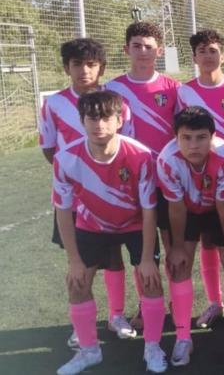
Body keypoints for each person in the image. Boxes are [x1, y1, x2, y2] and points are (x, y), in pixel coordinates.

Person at [53, 91, 167, 374]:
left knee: (151, 280)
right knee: (77, 283)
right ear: (82, 121)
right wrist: (74, 261)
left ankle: (153, 347)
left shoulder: (140, 156)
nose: (99, 125)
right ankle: (89, 351)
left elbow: (149, 210)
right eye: (92, 118)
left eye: (106, 118)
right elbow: (63, 212)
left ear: (119, 121)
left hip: (135, 224)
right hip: (92, 225)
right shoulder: (65, 159)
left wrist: (147, 259)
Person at [40, 38, 136, 347]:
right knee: (81, 262)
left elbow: (127, 148)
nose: (84, 71)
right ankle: (82, 325)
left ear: (101, 68)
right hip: (76, 200)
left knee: (115, 257)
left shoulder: (118, 103)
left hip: (114, 196)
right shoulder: (54, 104)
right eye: (77, 64)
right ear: (66, 68)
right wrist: (79, 178)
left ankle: (116, 315)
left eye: (91, 64)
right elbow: (49, 148)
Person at [105, 21, 182, 330]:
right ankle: (146, 303)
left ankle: (177, 303)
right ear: (127, 49)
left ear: (159, 51)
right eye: (136, 45)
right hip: (131, 183)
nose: (143, 51)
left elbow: (183, 134)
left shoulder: (173, 89)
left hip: (167, 180)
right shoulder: (112, 89)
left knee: (173, 245)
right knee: (144, 251)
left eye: (149, 46)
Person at [156, 106, 224, 366]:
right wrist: (176, 247)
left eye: (201, 138)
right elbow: (176, 208)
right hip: (185, 209)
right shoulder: (166, 160)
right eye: (186, 138)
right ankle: (183, 338)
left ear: (213, 137)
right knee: (179, 265)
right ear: (176, 138)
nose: (194, 145)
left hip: (218, 208)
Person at [177, 30, 224, 331]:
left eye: (213, 50)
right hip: (197, 178)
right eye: (202, 51)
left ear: (223, 54)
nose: (208, 56)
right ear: (194, 57)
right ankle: (214, 302)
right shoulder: (183, 92)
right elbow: (181, 133)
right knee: (207, 241)